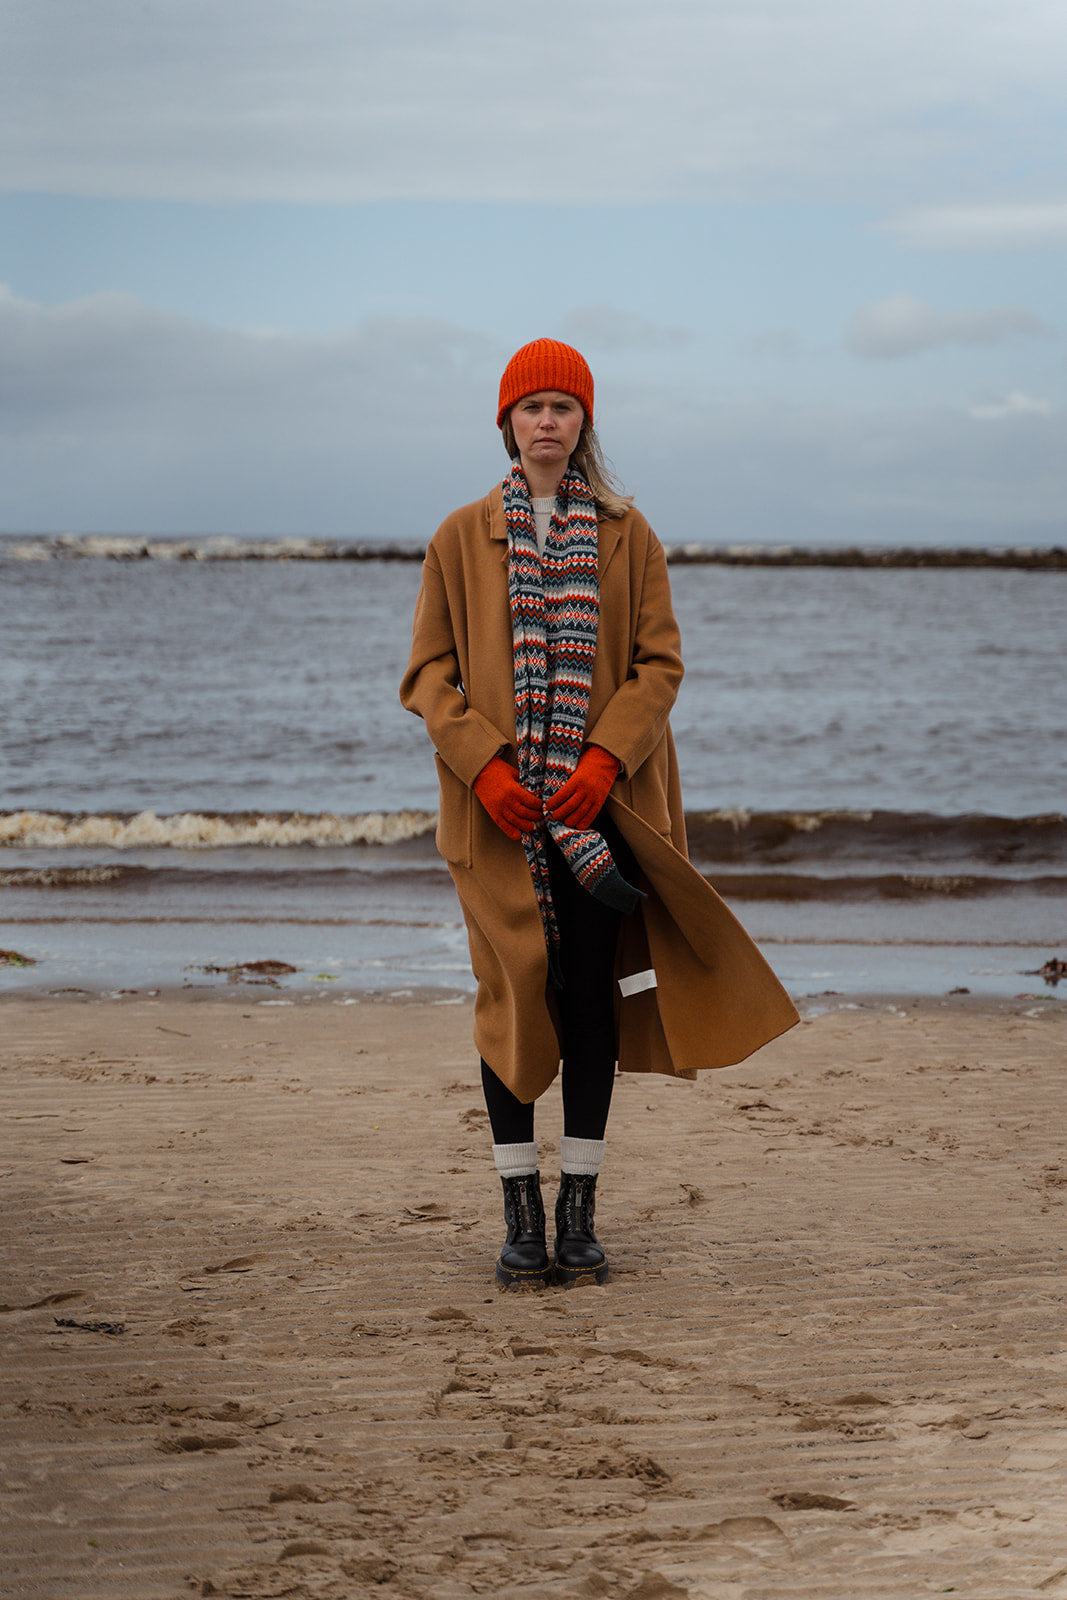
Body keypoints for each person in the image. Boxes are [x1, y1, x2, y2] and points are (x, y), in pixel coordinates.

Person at [400, 338, 798, 1290]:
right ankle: (517, 1216)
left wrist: (603, 758)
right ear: (506, 422)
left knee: (588, 999)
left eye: (563, 407)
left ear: (583, 423)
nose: (547, 421)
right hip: (494, 817)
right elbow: (427, 676)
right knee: (511, 996)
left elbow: (656, 667)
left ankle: (577, 1213)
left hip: (599, 816)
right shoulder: (460, 535)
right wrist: (485, 766)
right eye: (530, 406)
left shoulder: (630, 534)